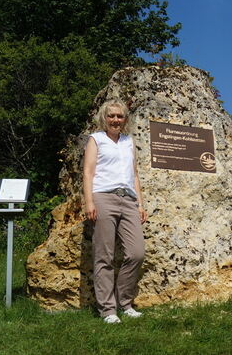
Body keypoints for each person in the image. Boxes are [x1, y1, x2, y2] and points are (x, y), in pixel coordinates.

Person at [83, 100, 147, 324]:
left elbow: (135, 174)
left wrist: (139, 203)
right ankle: (108, 310)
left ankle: (125, 302)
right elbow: (88, 173)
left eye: (120, 116)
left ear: (125, 119)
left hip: (128, 200)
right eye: (111, 116)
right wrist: (89, 202)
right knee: (104, 256)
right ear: (104, 118)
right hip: (103, 197)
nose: (115, 120)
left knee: (136, 252)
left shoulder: (129, 142)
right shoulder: (96, 139)